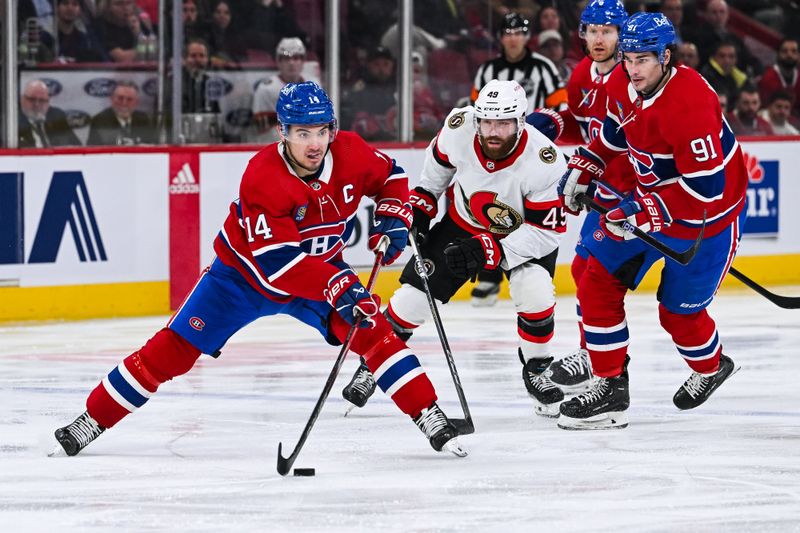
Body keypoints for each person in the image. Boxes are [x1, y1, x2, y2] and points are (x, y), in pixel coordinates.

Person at [52, 81, 467, 459]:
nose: (314, 143)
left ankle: (428, 414)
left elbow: (391, 175)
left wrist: (392, 215)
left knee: (373, 331)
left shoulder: (351, 151)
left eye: (321, 131)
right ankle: (93, 418)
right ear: (282, 133)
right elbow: (278, 267)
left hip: (320, 274)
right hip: (240, 280)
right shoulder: (263, 177)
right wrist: (337, 282)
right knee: (171, 353)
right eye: (302, 133)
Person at [556, 12, 746, 430]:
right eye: (628, 58)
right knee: (594, 277)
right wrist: (588, 163)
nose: (632, 68)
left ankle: (712, 367)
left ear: (665, 56)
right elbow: (615, 127)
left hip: (705, 221)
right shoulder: (622, 81)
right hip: (650, 203)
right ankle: (610, 387)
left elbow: (706, 190)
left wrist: (643, 211)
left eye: (643, 59)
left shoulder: (690, 104)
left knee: (677, 316)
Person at [341, 80, 570, 418]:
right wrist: (419, 212)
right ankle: (375, 360)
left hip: (521, 235)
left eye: (504, 123)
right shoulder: (458, 127)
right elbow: (434, 177)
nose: (493, 131)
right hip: (462, 225)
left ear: (521, 122)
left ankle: (536, 368)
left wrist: (488, 250)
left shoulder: (546, 161)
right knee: (411, 299)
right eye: (487, 121)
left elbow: (547, 234)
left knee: (535, 291)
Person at [545, 0, 637, 394]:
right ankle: (595, 352)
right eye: (592, 30)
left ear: (621, 35)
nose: (599, 39)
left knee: (593, 277)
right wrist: (550, 120)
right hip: (603, 192)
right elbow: (583, 126)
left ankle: (604, 361)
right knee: (582, 272)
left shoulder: (634, 76)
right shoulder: (582, 73)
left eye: (608, 31)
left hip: (633, 196)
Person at [470, 12, 567, 306]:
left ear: (527, 37)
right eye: (508, 32)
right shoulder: (487, 70)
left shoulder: (544, 67)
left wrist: (539, 137)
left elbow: (559, 109)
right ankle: (490, 274)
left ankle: (527, 275)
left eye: (519, 32)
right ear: (500, 37)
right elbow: (475, 114)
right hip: (496, 155)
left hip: (530, 158)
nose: (513, 38)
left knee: (531, 217)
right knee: (491, 209)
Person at [251, 38, 311, 144]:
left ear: (303, 62)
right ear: (278, 62)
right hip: (274, 149)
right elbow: (261, 129)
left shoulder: (313, 86)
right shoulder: (266, 89)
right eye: (286, 58)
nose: (291, 63)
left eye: (296, 58)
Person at [87, 80, 155, 145]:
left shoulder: (144, 119)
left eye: (129, 99)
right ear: (112, 99)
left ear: (136, 102)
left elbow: (151, 146)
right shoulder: (100, 120)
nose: (124, 103)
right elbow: (93, 152)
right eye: (120, 98)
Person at [18, 79, 81, 148]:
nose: (37, 104)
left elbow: (76, 145)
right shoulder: (13, 120)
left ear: (48, 102)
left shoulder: (57, 116)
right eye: (32, 99)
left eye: (42, 100)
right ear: (22, 99)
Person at [758, 39, 800, 118]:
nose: (789, 55)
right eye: (785, 51)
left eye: (794, 51)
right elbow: (763, 109)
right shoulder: (767, 79)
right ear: (778, 54)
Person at [699, 41, 748, 110]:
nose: (727, 60)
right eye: (722, 56)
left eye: (731, 56)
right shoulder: (706, 77)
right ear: (714, 57)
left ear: (736, 59)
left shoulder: (741, 79)